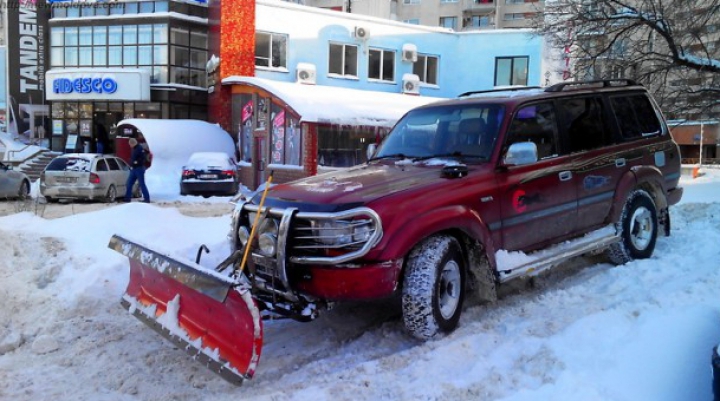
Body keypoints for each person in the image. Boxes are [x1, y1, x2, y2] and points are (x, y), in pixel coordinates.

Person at [123, 138, 150, 203]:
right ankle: (127, 198)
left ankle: (147, 199)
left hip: (139, 169)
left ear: (133, 143)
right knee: (129, 183)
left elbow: (143, 158)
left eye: (130, 144)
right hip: (134, 169)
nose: (130, 146)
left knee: (142, 183)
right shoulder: (134, 149)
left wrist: (136, 162)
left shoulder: (140, 149)